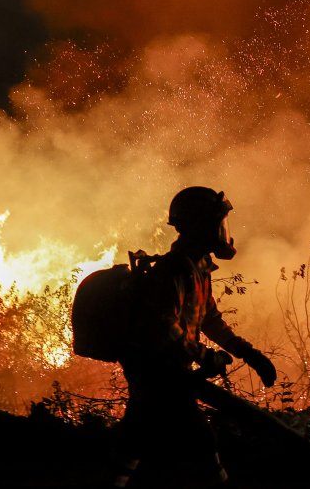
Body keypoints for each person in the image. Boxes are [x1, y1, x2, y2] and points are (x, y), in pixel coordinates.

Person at [113, 186, 277, 488]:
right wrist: (204, 356)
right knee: (199, 437)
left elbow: (210, 320)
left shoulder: (197, 268)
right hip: (155, 368)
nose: (223, 231)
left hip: (167, 367)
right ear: (200, 225)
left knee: (138, 435)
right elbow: (166, 327)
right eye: (218, 222)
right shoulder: (174, 271)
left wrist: (248, 354)